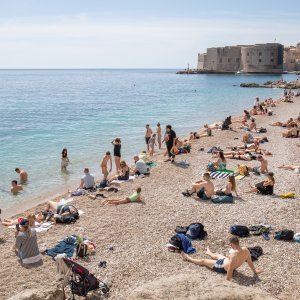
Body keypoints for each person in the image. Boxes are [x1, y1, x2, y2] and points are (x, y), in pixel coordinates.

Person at [181, 237, 263, 281]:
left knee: (204, 261)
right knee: (219, 255)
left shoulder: (233, 255)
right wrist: (255, 271)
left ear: (231, 244)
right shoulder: (246, 250)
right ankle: (209, 253)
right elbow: (249, 262)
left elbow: (230, 269)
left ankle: (188, 258)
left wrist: (227, 282)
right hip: (226, 261)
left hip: (221, 267)